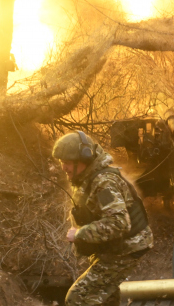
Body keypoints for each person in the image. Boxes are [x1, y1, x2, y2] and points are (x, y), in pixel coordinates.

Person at [52, 130, 153, 306]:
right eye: (62, 163)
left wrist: (80, 234)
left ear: (83, 160)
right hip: (114, 246)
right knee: (104, 297)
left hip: (126, 248)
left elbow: (118, 224)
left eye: (67, 163)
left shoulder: (104, 183)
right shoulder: (86, 178)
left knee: (77, 299)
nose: (63, 168)